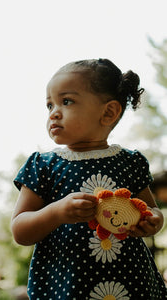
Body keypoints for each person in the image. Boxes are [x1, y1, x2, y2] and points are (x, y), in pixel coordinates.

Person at [11, 58, 167, 299]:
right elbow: (20, 230)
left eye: (66, 101)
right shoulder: (42, 165)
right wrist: (57, 212)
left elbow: (151, 210)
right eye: (49, 105)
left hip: (132, 284)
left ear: (109, 112)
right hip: (67, 285)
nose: (54, 114)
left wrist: (153, 221)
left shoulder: (130, 162)